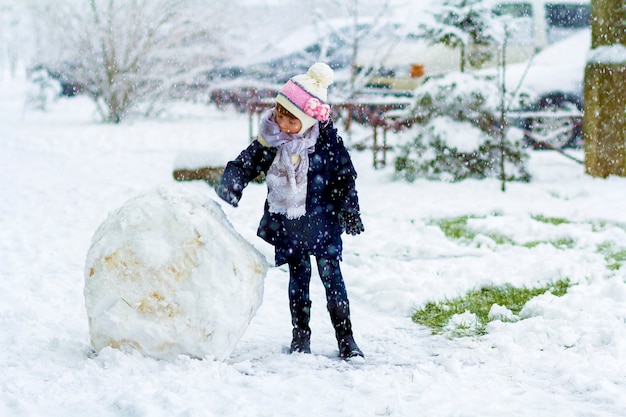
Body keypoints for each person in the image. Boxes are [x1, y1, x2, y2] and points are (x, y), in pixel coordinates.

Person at [213, 62, 365, 359]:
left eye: (291, 119)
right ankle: (301, 335)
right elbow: (247, 162)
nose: (282, 122)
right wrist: (233, 183)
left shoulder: (328, 143)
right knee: (299, 280)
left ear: (309, 120)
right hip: (292, 226)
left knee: (332, 279)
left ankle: (346, 337)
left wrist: (350, 210)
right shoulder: (271, 139)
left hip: (323, 221)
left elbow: (345, 177)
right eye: (279, 112)